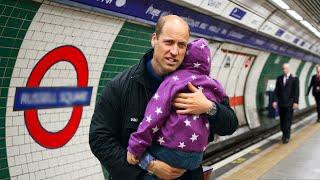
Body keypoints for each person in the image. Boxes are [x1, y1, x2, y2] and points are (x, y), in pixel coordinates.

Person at [89, 15, 238, 180]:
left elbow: (231, 125)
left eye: (181, 45)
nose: (174, 51)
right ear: (154, 39)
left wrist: (210, 108)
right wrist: (148, 168)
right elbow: (99, 139)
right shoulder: (120, 86)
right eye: (169, 42)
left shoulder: (199, 85)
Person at [127, 38, 227, 173]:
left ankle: (147, 164)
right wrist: (211, 106)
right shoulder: (214, 85)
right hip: (197, 157)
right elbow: (225, 101)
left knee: (140, 151)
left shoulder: (174, 81)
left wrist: (136, 145)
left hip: (169, 153)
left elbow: (155, 116)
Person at [273, 63, 299, 144]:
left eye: (286, 68)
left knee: (287, 120)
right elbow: (276, 90)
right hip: (281, 103)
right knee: (282, 120)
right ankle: (284, 133)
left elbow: (296, 92)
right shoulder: (279, 78)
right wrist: (274, 101)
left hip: (290, 103)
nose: (284, 70)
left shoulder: (294, 79)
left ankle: (286, 136)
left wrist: (296, 102)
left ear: (289, 69)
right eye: (283, 68)